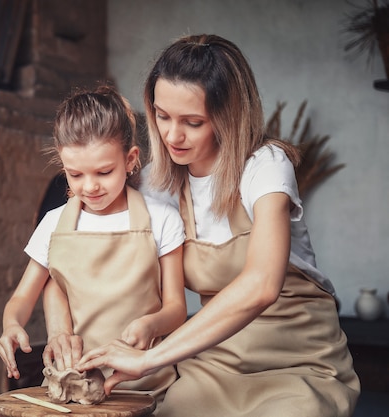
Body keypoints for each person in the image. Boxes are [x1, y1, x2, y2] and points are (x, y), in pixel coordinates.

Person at [70, 34, 360, 416]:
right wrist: (63, 332)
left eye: (192, 122)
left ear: (228, 115)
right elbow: (66, 246)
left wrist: (150, 359)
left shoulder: (266, 166)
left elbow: (261, 285)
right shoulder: (158, 182)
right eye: (161, 115)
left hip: (300, 365)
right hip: (214, 365)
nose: (172, 135)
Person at [0, 85, 187, 398]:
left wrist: (150, 325)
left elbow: (177, 307)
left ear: (130, 160)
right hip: (75, 382)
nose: (91, 186)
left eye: (104, 171)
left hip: (147, 380)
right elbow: (21, 300)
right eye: (76, 175)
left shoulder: (162, 218)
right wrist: (12, 325)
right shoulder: (54, 224)